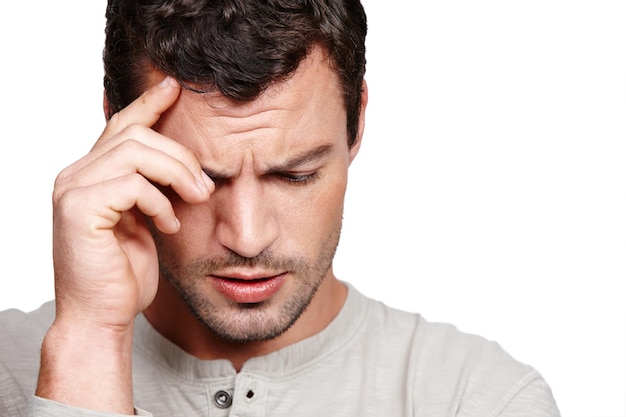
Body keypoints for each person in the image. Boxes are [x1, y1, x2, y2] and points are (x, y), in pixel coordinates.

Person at [0, 0, 560, 416]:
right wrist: (90, 339)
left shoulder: (480, 398)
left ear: (356, 121)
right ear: (117, 130)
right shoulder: (10, 375)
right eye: (198, 178)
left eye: (295, 175)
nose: (246, 237)